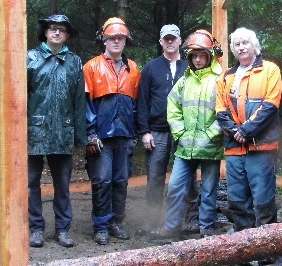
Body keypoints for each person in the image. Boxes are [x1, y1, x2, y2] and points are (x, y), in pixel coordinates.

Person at [149, 30, 225, 242]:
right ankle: (171, 227)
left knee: (209, 190)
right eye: (194, 56)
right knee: (174, 187)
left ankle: (206, 229)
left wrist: (212, 134)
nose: (198, 59)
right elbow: (172, 105)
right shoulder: (185, 80)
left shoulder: (221, 80)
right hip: (185, 146)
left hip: (210, 146)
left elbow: (226, 111)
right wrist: (180, 132)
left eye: (202, 55)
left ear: (210, 55)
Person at [26, 14, 86, 248]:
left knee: (62, 183)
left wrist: (80, 134)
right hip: (35, 131)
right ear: (45, 32)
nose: (57, 33)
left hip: (63, 131)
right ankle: (36, 228)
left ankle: (62, 229)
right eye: (53, 29)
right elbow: (19, 96)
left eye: (62, 30)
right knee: (32, 183)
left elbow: (79, 99)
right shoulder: (30, 58)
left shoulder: (74, 61)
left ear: (67, 35)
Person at [216, 27, 282, 232]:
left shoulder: (270, 70)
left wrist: (246, 130)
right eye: (237, 44)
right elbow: (220, 109)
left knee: (263, 199)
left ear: (255, 46)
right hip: (234, 148)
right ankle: (244, 246)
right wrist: (235, 131)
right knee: (237, 200)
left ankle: (267, 247)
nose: (242, 47)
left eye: (245, 43)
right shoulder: (226, 76)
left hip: (260, 147)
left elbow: (271, 105)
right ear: (233, 50)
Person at [83, 17, 141, 245]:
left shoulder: (134, 69)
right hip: (101, 137)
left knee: (121, 180)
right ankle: (101, 225)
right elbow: (86, 103)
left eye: (121, 38)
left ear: (126, 41)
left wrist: (135, 131)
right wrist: (90, 134)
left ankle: (117, 221)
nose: (116, 41)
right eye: (112, 38)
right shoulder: (91, 67)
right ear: (104, 40)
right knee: (102, 181)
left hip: (125, 135)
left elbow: (136, 105)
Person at [136, 24, 198, 231]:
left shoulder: (189, 68)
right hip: (158, 130)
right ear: (161, 42)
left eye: (174, 38)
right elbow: (142, 101)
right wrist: (144, 131)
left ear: (181, 41)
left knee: (188, 176)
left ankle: (190, 220)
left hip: (185, 130)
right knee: (155, 176)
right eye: (166, 39)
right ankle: (152, 219)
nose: (170, 42)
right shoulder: (151, 67)